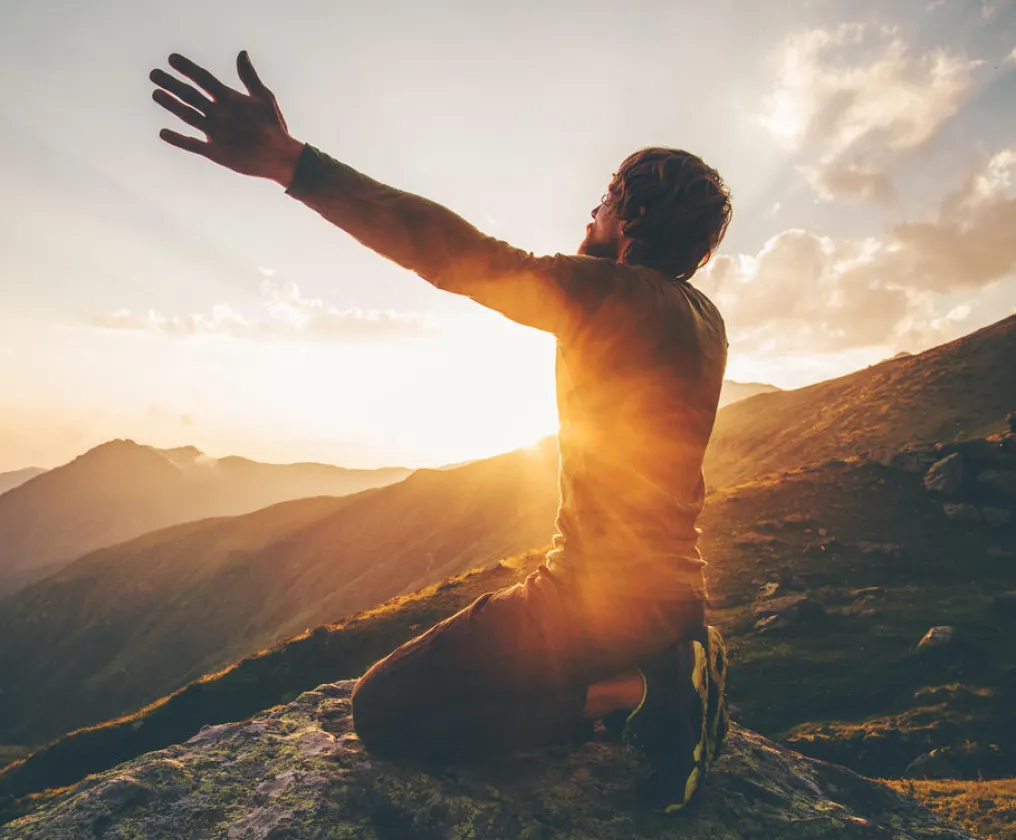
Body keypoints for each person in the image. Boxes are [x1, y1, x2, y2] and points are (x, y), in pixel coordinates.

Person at [149, 50, 732, 814]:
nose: (587, 216)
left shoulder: (612, 295)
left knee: (385, 712)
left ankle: (637, 693)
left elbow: (458, 257)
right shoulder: (702, 318)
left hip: (593, 600)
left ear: (633, 216)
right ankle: (661, 671)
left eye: (602, 201)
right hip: (668, 595)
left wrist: (294, 164)